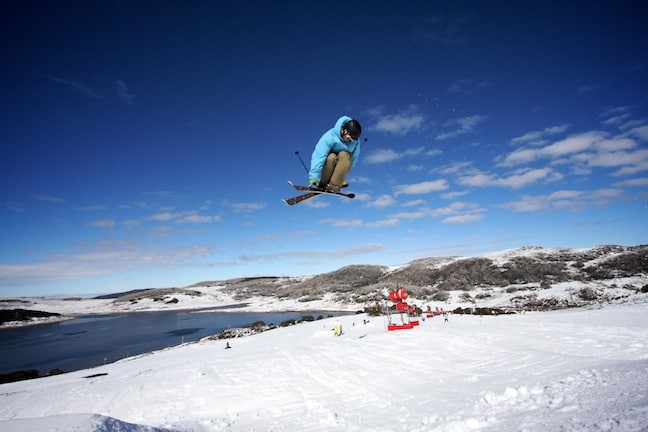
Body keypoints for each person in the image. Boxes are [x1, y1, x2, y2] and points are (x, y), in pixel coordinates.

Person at [308, 116, 362, 193]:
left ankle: (334, 186)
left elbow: (354, 159)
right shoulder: (330, 136)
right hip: (329, 163)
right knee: (331, 157)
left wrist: (342, 175)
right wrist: (314, 176)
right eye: (349, 138)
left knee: (344, 155)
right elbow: (319, 155)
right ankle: (323, 183)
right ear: (344, 131)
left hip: (342, 163)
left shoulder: (355, 142)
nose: (349, 141)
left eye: (351, 140)